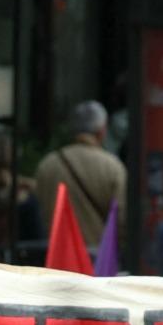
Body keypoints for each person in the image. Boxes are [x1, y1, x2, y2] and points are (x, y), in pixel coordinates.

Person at [31, 100, 125, 249]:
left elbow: (39, 211)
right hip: (98, 257)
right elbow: (122, 219)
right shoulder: (112, 166)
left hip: (56, 255)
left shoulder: (48, 164)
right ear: (102, 131)